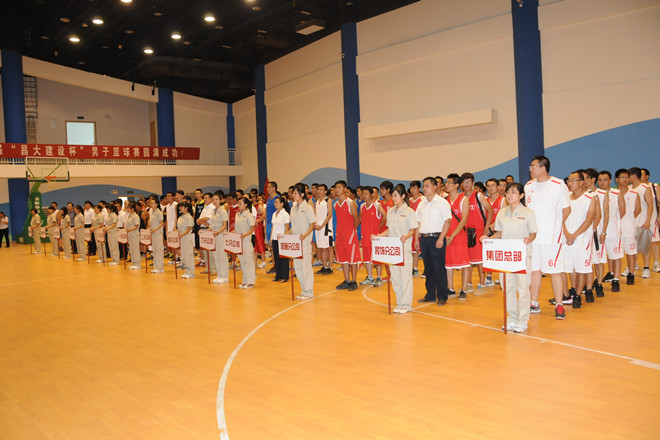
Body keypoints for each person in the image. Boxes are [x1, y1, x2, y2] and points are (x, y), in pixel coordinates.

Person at [482, 182, 537, 332]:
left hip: (522, 256)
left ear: (521, 195)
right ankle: (512, 318)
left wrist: (529, 239)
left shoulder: (528, 213)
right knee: (508, 288)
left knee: (523, 289)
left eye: (514, 192)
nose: (510, 195)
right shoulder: (502, 213)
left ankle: (523, 321)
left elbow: (533, 233)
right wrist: (488, 239)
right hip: (506, 258)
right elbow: (499, 233)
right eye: (508, 192)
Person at [525, 156, 571, 319]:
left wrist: (556, 226)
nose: (530, 169)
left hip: (552, 238)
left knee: (555, 271)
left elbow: (567, 209)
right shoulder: (528, 186)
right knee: (535, 271)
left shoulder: (558, 184)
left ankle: (559, 305)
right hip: (533, 238)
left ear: (543, 168)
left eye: (533, 166)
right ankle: (533, 303)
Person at [377, 184, 419, 313]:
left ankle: (406, 304)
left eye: (396, 195)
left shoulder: (409, 212)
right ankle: (399, 302)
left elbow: (413, 230)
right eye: (393, 196)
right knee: (395, 276)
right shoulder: (390, 211)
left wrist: (406, 236)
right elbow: (389, 230)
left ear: (403, 196)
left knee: (405, 276)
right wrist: (378, 236)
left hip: (404, 248)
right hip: (393, 249)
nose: (394, 198)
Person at [415, 177, 452, 305]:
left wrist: (441, 238)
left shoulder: (442, 203)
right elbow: (417, 222)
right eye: (423, 186)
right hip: (424, 238)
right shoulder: (421, 203)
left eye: (427, 186)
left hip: (437, 238)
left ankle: (442, 296)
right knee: (428, 269)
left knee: (439, 268)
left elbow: (447, 221)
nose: (424, 188)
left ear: (435, 187)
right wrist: (417, 239)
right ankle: (430, 295)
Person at [563, 171, 597, 307]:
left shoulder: (590, 197)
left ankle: (578, 294)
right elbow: (560, 218)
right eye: (569, 180)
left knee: (581, 267)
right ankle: (573, 289)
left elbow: (589, 219)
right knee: (570, 267)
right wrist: (566, 233)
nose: (570, 183)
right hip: (566, 237)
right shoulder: (566, 197)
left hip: (582, 237)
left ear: (582, 182)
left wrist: (574, 235)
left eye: (574, 180)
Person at [461, 172, 493, 292]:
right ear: (461, 184)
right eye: (465, 182)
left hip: (478, 232)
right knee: (467, 259)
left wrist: (486, 227)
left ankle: (482, 284)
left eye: (469, 181)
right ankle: (468, 283)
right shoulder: (461, 197)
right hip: (465, 233)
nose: (467, 184)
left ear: (473, 183)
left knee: (479, 260)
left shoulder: (478, 196)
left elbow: (490, 210)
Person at [444, 173, 471, 300]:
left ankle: (463, 290)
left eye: (450, 183)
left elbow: (463, 220)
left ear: (456, 185)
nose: (447, 185)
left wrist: (452, 235)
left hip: (459, 236)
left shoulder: (463, 200)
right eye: (446, 182)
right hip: (447, 236)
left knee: (464, 263)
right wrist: (445, 235)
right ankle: (451, 288)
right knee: (448, 264)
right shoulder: (444, 201)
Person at [597, 171, 624, 292]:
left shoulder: (617, 193)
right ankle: (599, 280)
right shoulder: (595, 194)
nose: (602, 182)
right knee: (599, 257)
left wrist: (614, 223)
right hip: (599, 232)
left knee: (616, 256)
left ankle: (616, 280)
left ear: (610, 181)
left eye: (605, 180)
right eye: (600, 180)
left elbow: (622, 211)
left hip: (613, 231)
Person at [290, 183, 316, 299]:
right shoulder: (293, 208)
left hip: (304, 242)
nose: (294, 195)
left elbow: (312, 225)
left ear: (302, 194)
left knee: (306, 267)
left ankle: (309, 291)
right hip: (295, 242)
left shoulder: (308, 208)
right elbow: (293, 226)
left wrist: (304, 236)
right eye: (293, 193)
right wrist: (285, 235)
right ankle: (303, 290)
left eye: (296, 193)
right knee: (298, 267)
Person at [334, 180, 361, 291]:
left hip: (350, 236)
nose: (337, 189)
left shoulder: (351, 203)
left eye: (339, 187)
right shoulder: (336, 204)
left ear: (345, 189)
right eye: (336, 187)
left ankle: (353, 281)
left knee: (352, 260)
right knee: (344, 260)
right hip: (340, 236)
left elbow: (357, 220)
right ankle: (346, 280)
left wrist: (351, 232)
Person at [616, 169, 640, 284]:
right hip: (615, 228)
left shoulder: (634, 193)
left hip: (628, 227)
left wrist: (629, 219)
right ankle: (613, 275)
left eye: (627, 177)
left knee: (631, 252)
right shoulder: (613, 193)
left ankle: (631, 273)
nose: (625, 179)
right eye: (622, 177)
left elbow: (638, 209)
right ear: (617, 179)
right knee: (615, 253)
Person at [629, 167, 654, 278]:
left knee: (644, 246)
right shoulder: (629, 188)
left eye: (628, 175)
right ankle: (631, 267)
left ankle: (646, 268)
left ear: (634, 175)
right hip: (631, 222)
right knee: (631, 246)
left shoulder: (645, 188)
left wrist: (648, 220)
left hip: (643, 222)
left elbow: (650, 205)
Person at [360, 187, 387, 286]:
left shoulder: (377, 205)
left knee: (377, 257)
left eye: (366, 194)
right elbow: (361, 218)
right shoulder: (362, 206)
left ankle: (379, 277)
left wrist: (378, 227)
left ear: (371, 195)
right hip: (365, 236)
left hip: (375, 237)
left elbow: (385, 216)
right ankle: (370, 277)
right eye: (363, 194)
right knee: (367, 258)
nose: (364, 196)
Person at [640, 168, 660, 272]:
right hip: (638, 220)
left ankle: (656, 263)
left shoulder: (654, 186)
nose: (639, 176)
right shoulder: (632, 187)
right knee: (638, 243)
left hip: (652, 219)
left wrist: (659, 217)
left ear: (647, 176)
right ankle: (634, 265)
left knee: (654, 242)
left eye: (642, 174)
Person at [235, 197, 256, 288]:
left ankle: (250, 281)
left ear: (246, 204)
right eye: (238, 203)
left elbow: (252, 228)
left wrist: (244, 235)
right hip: (239, 240)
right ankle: (245, 280)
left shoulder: (248, 215)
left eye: (240, 203)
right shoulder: (237, 215)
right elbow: (236, 229)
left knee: (248, 261)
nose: (239, 205)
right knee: (242, 261)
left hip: (246, 240)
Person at [314, 183, 334, 275]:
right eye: (318, 189)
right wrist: (315, 224)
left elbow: (329, 215)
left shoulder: (328, 200)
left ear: (325, 191)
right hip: (318, 228)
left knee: (329, 247)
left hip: (326, 228)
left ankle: (330, 267)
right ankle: (324, 266)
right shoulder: (317, 201)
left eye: (321, 189)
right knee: (322, 247)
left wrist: (322, 225)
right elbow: (315, 214)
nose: (319, 191)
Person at [210, 194, 229, 284]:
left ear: (221, 200)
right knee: (216, 255)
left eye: (216, 199)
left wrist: (218, 232)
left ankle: (224, 276)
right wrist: (205, 231)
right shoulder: (214, 211)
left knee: (222, 256)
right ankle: (219, 275)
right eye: (213, 199)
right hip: (214, 235)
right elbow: (212, 225)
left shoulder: (223, 210)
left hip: (221, 235)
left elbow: (224, 225)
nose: (215, 201)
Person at [270, 196, 291, 283]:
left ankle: (285, 276)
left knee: (283, 258)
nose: (275, 204)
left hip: (282, 238)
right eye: (275, 202)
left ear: (282, 204)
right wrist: (271, 238)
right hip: (275, 238)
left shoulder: (285, 214)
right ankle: (278, 275)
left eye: (277, 202)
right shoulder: (274, 214)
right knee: (276, 257)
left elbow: (287, 227)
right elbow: (273, 227)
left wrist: (285, 238)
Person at [408, 180, 423, 276]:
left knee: (416, 250)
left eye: (415, 188)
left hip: (418, 228)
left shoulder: (423, 200)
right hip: (410, 229)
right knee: (410, 249)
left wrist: (421, 229)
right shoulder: (409, 201)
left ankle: (415, 268)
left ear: (419, 189)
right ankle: (410, 267)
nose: (412, 190)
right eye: (411, 188)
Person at [177, 202, 195, 279]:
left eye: (182, 207)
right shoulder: (180, 217)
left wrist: (181, 235)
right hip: (182, 238)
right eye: (180, 207)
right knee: (184, 255)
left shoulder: (189, 217)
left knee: (189, 255)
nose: (180, 209)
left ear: (186, 208)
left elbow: (188, 229)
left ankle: (191, 272)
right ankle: (187, 271)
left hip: (187, 238)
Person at [148, 196, 165, 274]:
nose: (151, 204)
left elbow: (161, 223)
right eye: (150, 203)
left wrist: (155, 229)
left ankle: (160, 267)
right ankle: (156, 266)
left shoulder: (159, 212)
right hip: (153, 234)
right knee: (154, 250)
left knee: (158, 250)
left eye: (152, 203)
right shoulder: (152, 212)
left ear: (157, 204)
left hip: (158, 233)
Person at [125, 202, 141, 269]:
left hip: (134, 235)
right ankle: (134, 263)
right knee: (132, 250)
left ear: (133, 209)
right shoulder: (129, 216)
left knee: (135, 250)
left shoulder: (135, 216)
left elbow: (136, 226)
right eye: (127, 208)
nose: (127, 209)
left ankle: (137, 264)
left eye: (129, 208)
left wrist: (129, 230)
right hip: (130, 235)